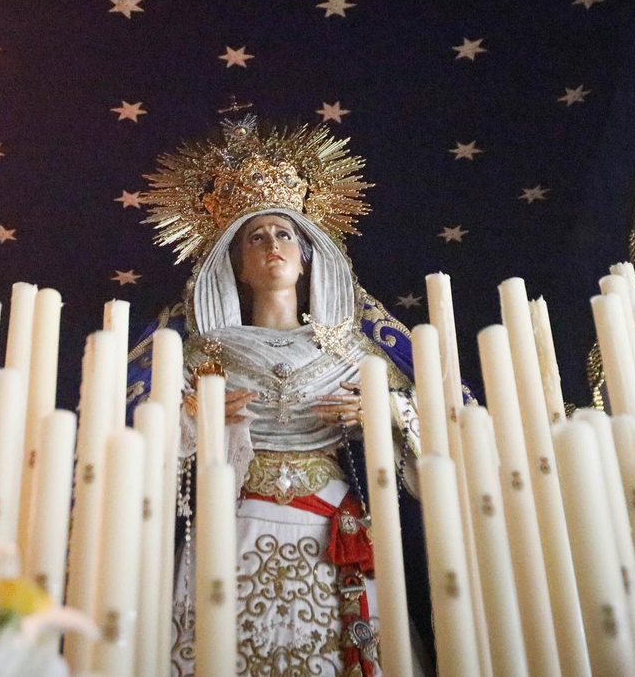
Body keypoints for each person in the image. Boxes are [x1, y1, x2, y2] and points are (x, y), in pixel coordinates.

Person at [127, 116, 422, 677]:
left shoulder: (354, 352)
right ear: (235, 263)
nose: (272, 246)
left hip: (333, 525)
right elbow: (143, 453)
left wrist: (385, 412)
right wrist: (192, 418)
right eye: (255, 237)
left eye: (285, 233)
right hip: (237, 518)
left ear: (309, 254)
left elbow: (435, 444)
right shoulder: (203, 355)